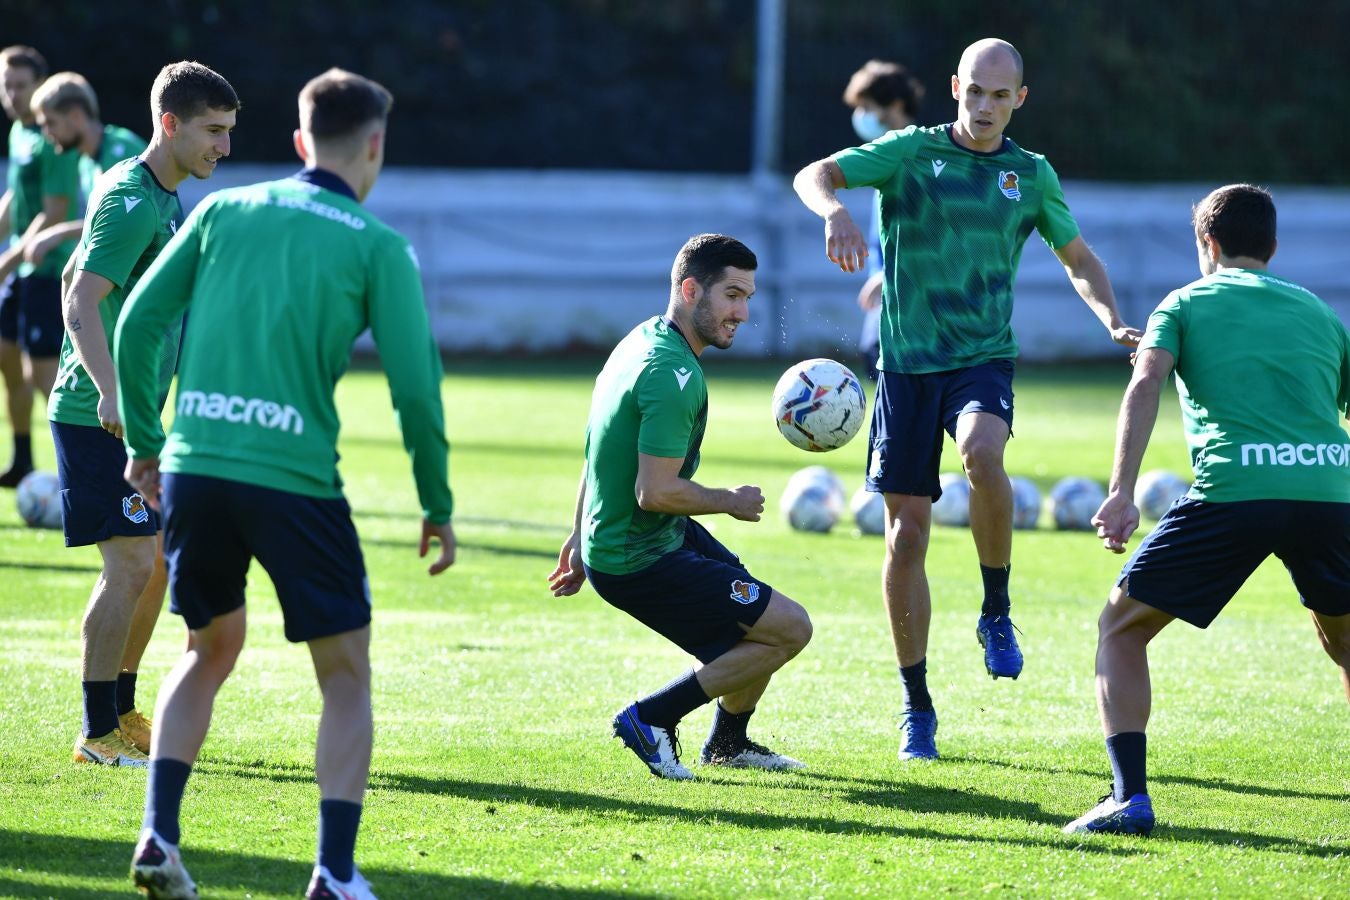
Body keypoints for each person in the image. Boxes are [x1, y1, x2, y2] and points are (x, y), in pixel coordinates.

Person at [115, 68, 455, 899]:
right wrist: (435, 503)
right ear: (374, 146)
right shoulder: (378, 245)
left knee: (206, 651)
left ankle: (158, 834)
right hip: (294, 482)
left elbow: (136, 323)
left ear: (301, 141)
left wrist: (148, 443)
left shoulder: (223, 211)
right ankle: (333, 872)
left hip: (196, 470)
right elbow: (416, 390)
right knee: (345, 674)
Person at [793, 38, 1140, 761]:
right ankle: (916, 704)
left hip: (982, 360)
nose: (984, 107)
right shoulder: (910, 152)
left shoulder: (1030, 174)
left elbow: (1078, 258)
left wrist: (1110, 318)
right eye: (974, 91)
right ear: (955, 87)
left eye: (999, 95)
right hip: (905, 368)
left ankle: (996, 609)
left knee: (983, 453)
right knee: (906, 536)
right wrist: (834, 212)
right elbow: (814, 173)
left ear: (1020, 100)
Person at [1064, 184, 1350, 836]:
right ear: (1272, 246)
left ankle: (1129, 799)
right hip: (1327, 493)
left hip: (1233, 492)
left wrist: (1121, 491)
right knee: (1347, 644)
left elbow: (1145, 381)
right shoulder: (1319, 312)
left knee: (1121, 628)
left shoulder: (1185, 301)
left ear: (1208, 244)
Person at [548, 233, 813, 781]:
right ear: (691, 290)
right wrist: (730, 501)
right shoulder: (672, 377)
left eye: (747, 298)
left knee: (756, 621)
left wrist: (579, 531)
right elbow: (655, 492)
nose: (742, 313)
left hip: (641, 534)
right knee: (789, 629)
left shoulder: (640, 340)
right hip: (638, 556)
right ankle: (651, 717)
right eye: (732, 296)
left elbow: (599, 448)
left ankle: (728, 744)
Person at [49, 61, 237, 771]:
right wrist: (108, 390)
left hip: (134, 416)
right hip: (97, 416)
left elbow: (71, 275)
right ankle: (96, 733)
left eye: (228, 132)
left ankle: (121, 710)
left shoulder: (161, 193)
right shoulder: (134, 201)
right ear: (170, 123)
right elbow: (80, 299)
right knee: (131, 563)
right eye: (212, 131)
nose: (223, 147)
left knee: (152, 564)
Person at [0, 45, 80, 485]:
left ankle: (80, 471)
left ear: (39, 87)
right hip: (22, 270)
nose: (12, 95)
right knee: (7, 358)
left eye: (20, 86)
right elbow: (16, 199)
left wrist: (6, 261)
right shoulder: (18, 133)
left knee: (47, 377)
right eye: (5, 85)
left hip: (49, 272)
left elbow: (53, 212)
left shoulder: (54, 140)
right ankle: (23, 461)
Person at [842, 59, 924, 381]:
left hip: (914, 295)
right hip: (887, 288)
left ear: (896, 106)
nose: (861, 117)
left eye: (867, 107)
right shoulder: (883, 158)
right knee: (873, 356)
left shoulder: (919, 158)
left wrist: (889, 274)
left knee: (888, 363)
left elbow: (929, 233)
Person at [28, 71, 148, 268]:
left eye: (50, 123)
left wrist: (59, 233)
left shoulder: (123, 150)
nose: (46, 133)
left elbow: (123, 218)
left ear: (76, 116)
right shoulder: (85, 162)